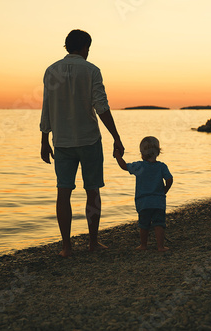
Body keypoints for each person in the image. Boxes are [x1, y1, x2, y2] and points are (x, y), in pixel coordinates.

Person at [40, 29, 125, 257]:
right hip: (88, 139)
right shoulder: (91, 70)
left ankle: (66, 247)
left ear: (67, 47)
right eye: (88, 48)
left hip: (62, 141)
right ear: (85, 47)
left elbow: (46, 106)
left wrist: (44, 139)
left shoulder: (51, 71)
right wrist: (116, 137)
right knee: (92, 190)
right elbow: (101, 106)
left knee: (63, 192)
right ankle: (93, 242)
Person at [114, 136, 173, 252]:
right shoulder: (162, 166)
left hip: (143, 202)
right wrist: (164, 190)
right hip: (158, 202)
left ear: (141, 153)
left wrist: (117, 156)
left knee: (143, 224)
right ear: (158, 152)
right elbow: (170, 179)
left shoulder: (139, 166)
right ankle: (160, 246)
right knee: (159, 224)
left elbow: (124, 166)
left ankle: (143, 245)